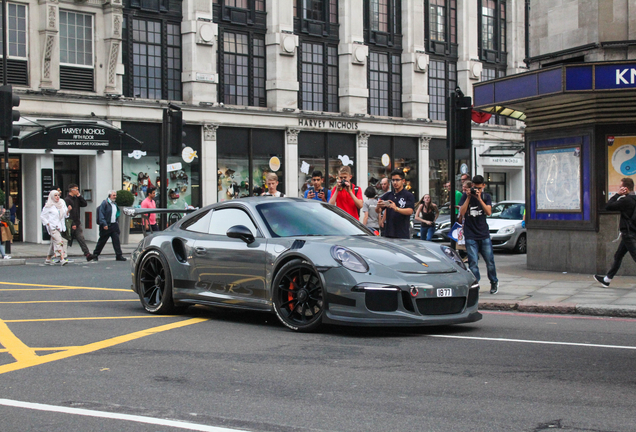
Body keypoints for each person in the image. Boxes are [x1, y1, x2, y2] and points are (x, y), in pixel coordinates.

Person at [459, 175, 499, 294]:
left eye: (479, 188)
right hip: (470, 233)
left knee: (490, 261)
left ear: (483, 186)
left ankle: (494, 282)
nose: (477, 190)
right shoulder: (466, 196)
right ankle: (475, 284)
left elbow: (489, 212)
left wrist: (479, 198)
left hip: (483, 233)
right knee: (473, 262)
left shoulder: (486, 196)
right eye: (475, 187)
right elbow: (462, 212)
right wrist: (468, 197)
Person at [594, 178, 636, 287]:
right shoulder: (634, 199)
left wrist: (617, 195)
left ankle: (607, 279)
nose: (619, 188)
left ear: (625, 189)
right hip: (631, 233)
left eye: (620, 187)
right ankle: (607, 280)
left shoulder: (625, 201)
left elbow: (608, 206)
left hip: (628, 234)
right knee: (618, 255)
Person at [375, 169, 415, 239]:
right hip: (388, 233)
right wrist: (378, 207)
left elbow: (410, 211)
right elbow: (378, 211)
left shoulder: (408, 195)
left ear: (403, 181)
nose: (395, 182)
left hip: (402, 234)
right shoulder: (388, 195)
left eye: (397, 180)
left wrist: (396, 209)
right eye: (393, 180)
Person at [92, 190, 127, 262]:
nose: (115, 197)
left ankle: (119, 255)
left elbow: (116, 214)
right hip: (106, 225)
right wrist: (104, 224)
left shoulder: (115, 204)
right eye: (113, 195)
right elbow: (101, 214)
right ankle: (95, 254)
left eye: (115, 195)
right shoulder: (105, 203)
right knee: (102, 241)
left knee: (116, 240)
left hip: (114, 225)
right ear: (109, 196)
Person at [40, 190, 71, 265]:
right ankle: (62, 258)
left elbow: (65, 215)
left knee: (53, 242)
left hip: (59, 226)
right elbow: (42, 216)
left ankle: (48, 258)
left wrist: (68, 210)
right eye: (55, 195)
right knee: (59, 241)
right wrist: (48, 224)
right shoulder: (49, 205)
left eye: (58, 195)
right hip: (52, 227)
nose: (57, 197)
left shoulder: (62, 203)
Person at [64, 184, 94, 261]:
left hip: (77, 222)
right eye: (76, 189)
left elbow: (84, 204)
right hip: (70, 223)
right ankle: (62, 255)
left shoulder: (76, 199)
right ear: (72, 190)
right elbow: (68, 213)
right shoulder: (67, 200)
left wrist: (79, 196)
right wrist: (72, 224)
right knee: (67, 239)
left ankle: (87, 253)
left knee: (81, 238)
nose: (77, 191)